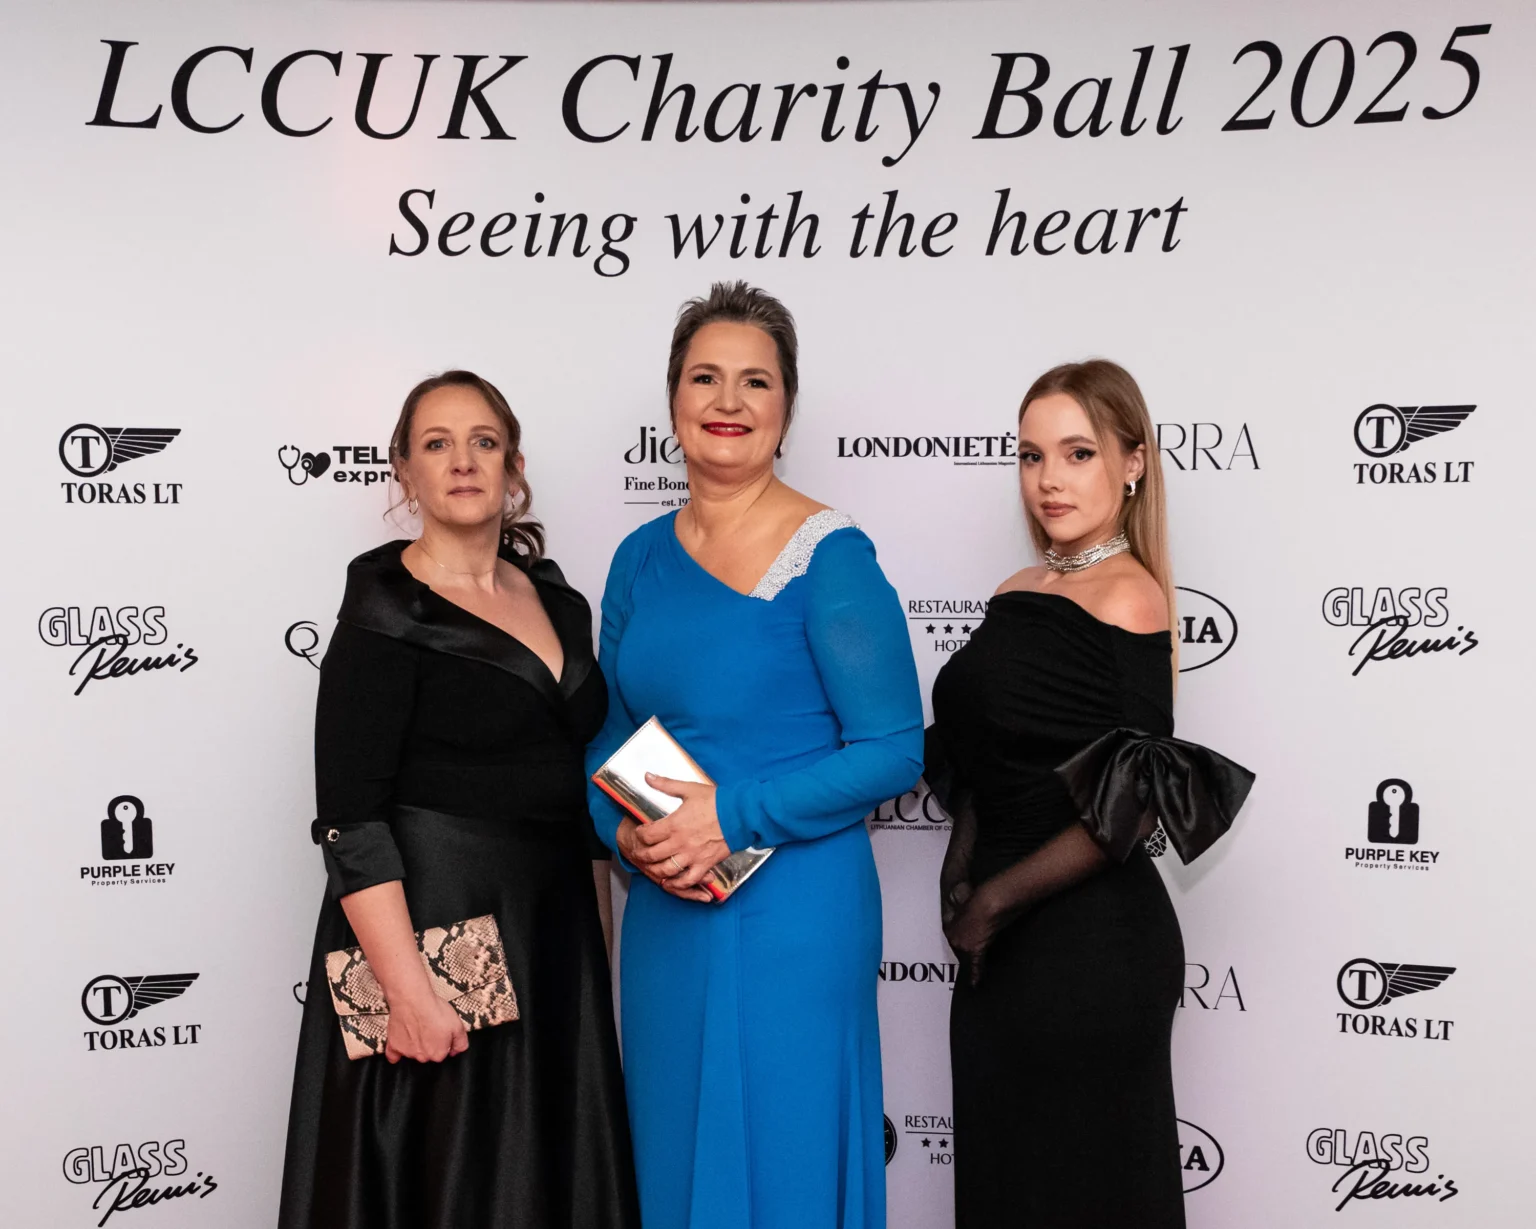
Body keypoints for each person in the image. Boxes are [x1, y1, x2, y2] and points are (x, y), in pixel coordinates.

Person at [586, 282, 924, 1229]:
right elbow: (608, 735)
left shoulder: (832, 556)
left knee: (787, 1159)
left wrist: (729, 817)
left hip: (796, 914)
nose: (727, 401)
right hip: (669, 909)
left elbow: (894, 750)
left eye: (755, 381)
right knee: (673, 1155)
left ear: (786, 407)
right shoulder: (637, 557)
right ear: (673, 400)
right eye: (705, 377)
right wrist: (626, 834)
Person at [278, 370, 640, 1229]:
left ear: (514, 466)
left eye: (484, 441)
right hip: (437, 939)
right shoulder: (382, 613)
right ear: (404, 471)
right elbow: (351, 822)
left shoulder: (559, 601)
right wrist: (407, 991)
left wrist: (597, 962)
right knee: (452, 1181)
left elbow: (582, 783)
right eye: (436, 443)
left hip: (553, 933)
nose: (463, 460)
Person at [929, 360, 1251, 1228]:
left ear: (1133, 461)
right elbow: (982, 757)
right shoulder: (1016, 591)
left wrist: (992, 899)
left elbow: (1136, 803)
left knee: (1084, 1191)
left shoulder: (1132, 598)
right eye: (1031, 455)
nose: (1049, 479)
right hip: (996, 947)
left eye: (1077, 453)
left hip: (1090, 947)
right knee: (1007, 1187)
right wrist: (961, 870)